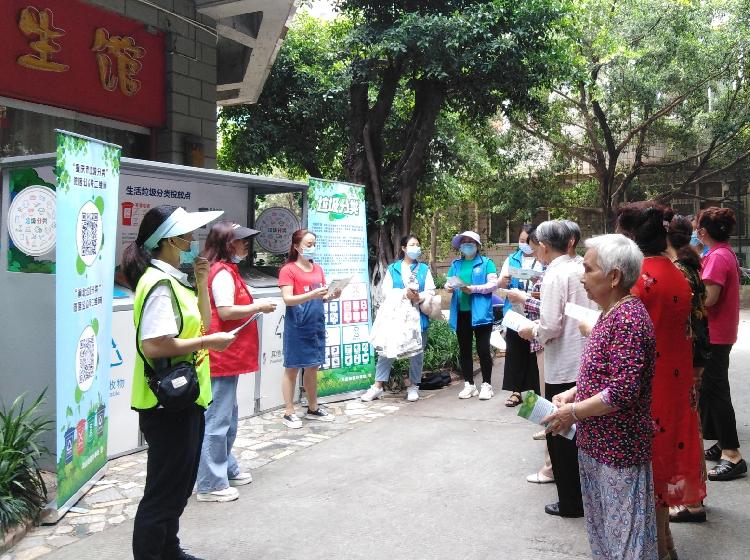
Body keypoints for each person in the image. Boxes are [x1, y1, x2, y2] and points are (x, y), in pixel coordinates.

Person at [122, 205, 236, 560]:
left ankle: (168, 550)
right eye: (187, 232)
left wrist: (201, 282)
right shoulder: (157, 283)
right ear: (171, 239)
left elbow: (201, 320)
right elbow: (154, 344)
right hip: (166, 403)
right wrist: (207, 343)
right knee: (163, 490)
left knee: (178, 485)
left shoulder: (172, 278)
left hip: (184, 399)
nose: (193, 238)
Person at [543, 234, 658, 560]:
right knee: (605, 532)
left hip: (618, 449)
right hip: (598, 444)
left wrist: (574, 412)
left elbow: (622, 390)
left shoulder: (628, 321)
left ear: (615, 276)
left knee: (624, 539)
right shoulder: (611, 313)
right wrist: (573, 391)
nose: (582, 276)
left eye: (589, 269)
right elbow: (605, 373)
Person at [617, 202, 706, 560]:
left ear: (630, 236)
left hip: (648, 384)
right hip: (676, 382)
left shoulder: (639, 280)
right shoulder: (678, 272)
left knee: (648, 464)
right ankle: (665, 542)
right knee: (666, 458)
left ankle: (659, 547)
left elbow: (629, 334)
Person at [195, 221, 278, 503]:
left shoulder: (225, 269)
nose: (245, 245)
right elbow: (226, 311)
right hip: (221, 355)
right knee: (217, 420)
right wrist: (259, 306)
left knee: (226, 417)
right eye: (241, 241)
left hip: (228, 356)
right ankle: (209, 483)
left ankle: (225, 468)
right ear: (227, 244)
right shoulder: (221, 273)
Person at [518, 220, 593, 517]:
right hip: (585, 356)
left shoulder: (554, 274)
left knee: (559, 431)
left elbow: (550, 325)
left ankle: (571, 501)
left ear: (545, 246)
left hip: (563, 363)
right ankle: (585, 495)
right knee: (582, 429)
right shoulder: (581, 268)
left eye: (536, 245)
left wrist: (531, 330)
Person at [666, 215, 710, 522]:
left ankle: (691, 500)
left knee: (685, 425)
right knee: (691, 423)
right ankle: (695, 494)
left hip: (686, 356)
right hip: (696, 354)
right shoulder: (691, 265)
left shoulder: (678, 270)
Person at [696, 207, 745, 481]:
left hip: (715, 333)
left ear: (703, 232)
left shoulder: (716, 257)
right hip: (721, 331)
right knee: (712, 388)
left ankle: (732, 453)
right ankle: (719, 441)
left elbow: (710, 299)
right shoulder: (724, 252)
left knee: (716, 390)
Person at [361, 234, 435, 403]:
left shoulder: (424, 269)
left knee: (417, 353)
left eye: (418, 244)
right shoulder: (394, 268)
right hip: (396, 318)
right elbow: (386, 292)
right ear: (403, 248)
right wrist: (403, 293)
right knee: (387, 351)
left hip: (418, 317)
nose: (415, 248)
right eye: (412, 245)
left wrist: (418, 297)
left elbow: (430, 291)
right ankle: (378, 386)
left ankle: (414, 385)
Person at [278, 229, 341, 429]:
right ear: (296, 246)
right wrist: (312, 294)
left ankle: (313, 407)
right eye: (308, 244)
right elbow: (288, 299)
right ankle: (289, 411)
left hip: (316, 325)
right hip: (297, 325)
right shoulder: (288, 270)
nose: (312, 247)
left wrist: (331, 295)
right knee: (292, 368)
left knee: (312, 367)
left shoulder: (318, 269)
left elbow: (320, 296)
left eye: (314, 244)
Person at [446, 231, 498, 400]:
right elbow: (449, 281)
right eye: (464, 242)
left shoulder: (486, 263)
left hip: (481, 314)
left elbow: (493, 285)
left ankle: (487, 384)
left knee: (483, 350)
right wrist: (449, 286)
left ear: (477, 245)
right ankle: (469, 384)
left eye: (470, 242)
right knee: (464, 350)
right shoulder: (456, 264)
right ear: (460, 246)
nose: (467, 245)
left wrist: (473, 288)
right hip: (462, 312)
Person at [498, 224, 543, 406]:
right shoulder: (511, 259)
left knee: (535, 354)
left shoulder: (542, 260)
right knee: (515, 352)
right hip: (514, 313)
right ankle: (516, 391)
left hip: (535, 312)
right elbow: (500, 286)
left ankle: (535, 394)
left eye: (528, 242)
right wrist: (503, 281)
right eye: (521, 241)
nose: (524, 245)